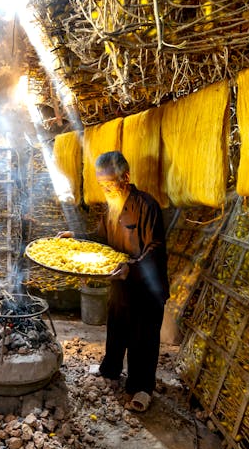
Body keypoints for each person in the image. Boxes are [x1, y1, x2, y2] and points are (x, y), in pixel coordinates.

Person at [60, 151, 169, 410]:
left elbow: (155, 249)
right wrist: (76, 237)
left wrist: (131, 268)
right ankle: (110, 370)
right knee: (117, 328)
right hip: (121, 284)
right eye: (102, 185)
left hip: (145, 288)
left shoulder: (147, 206)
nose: (106, 189)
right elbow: (101, 238)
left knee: (143, 339)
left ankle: (142, 388)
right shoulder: (113, 207)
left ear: (126, 177)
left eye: (110, 183)